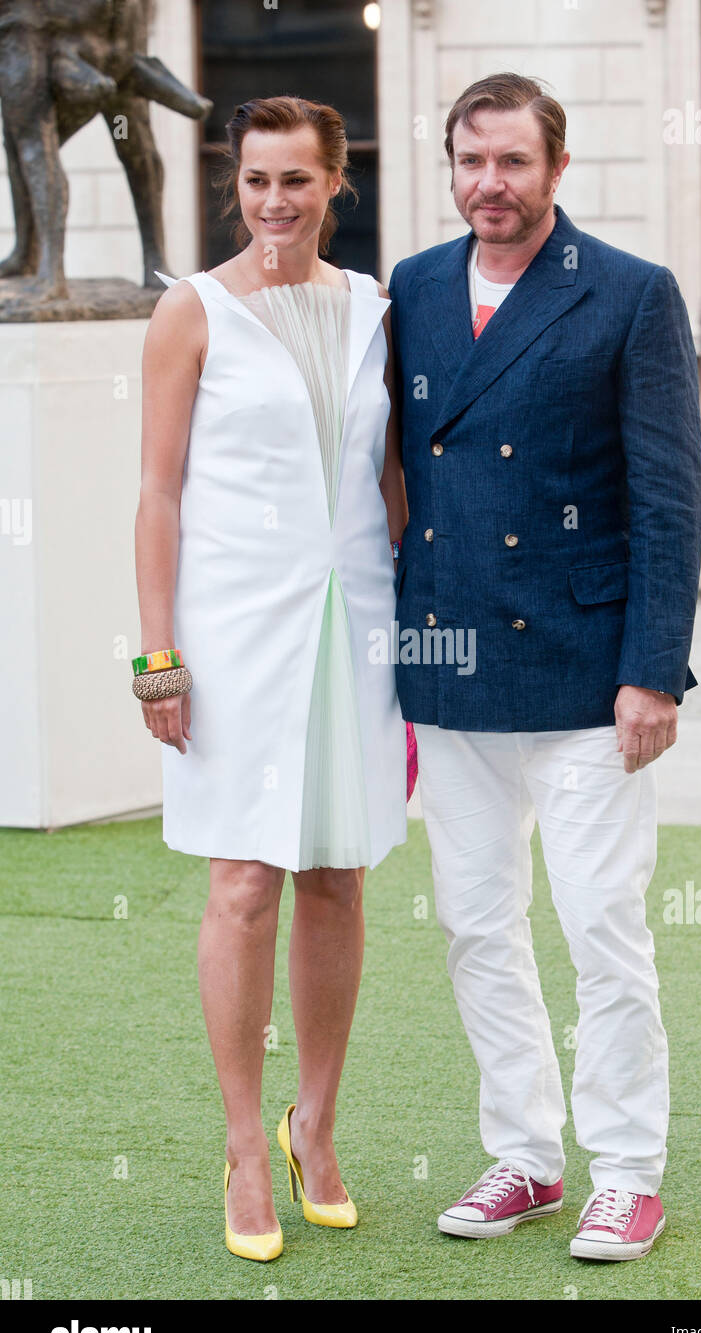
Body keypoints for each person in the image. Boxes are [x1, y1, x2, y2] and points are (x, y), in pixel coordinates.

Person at [387, 73, 701, 1260]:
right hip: (450, 658)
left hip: (585, 669)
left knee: (599, 924)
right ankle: (524, 1155)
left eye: (512, 162)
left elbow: (667, 499)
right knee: (475, 924)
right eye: (470, 161)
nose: (489, 186)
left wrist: (654, 672)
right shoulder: (410, 289)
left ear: (555, 169)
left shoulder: (626, 294)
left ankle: (627, 1170)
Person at [134, 95, 408, 1261]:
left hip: (358, 628)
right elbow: (157, 494)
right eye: (254, 181)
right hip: (233, 631)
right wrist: (157, 655)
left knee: (337, 876)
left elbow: (393, 483)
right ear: (234, 186)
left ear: (334, 183)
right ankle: (246, 1143)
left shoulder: (379, 314)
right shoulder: (187, 311)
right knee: (245, 880)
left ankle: (318, 1122)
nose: (274, 203)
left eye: (296, 180)